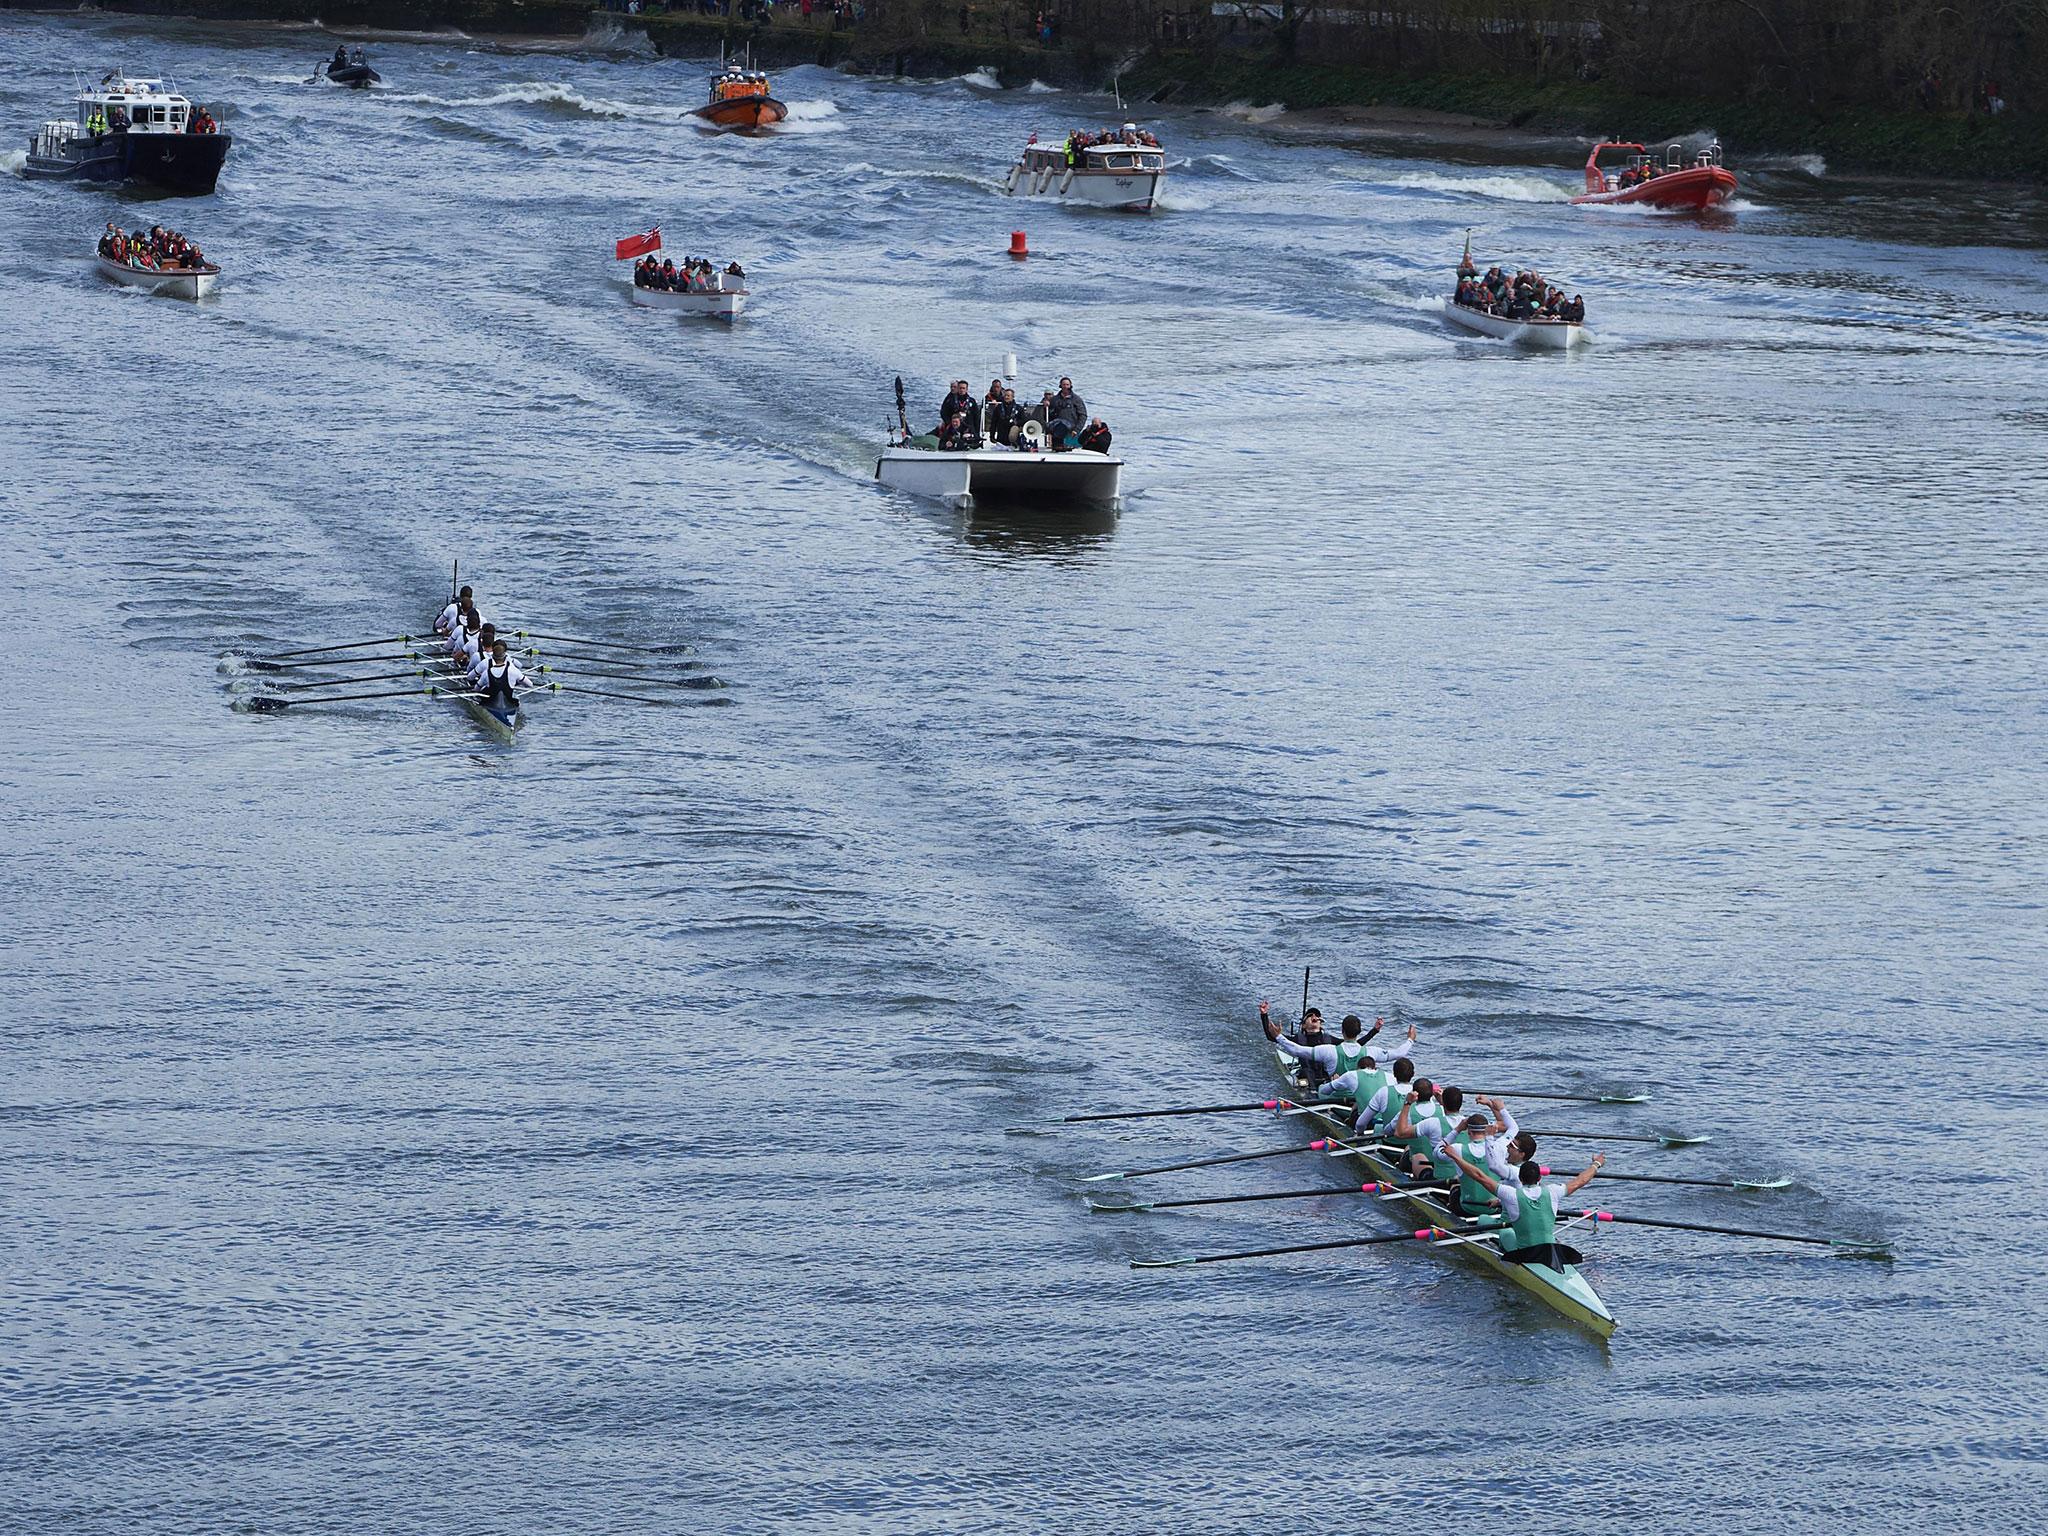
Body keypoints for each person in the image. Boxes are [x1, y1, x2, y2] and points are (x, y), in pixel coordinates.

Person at [1439, 1140, 1605, 1270]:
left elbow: (1479, 1176)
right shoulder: (1553, 1191)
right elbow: (1581, 1180)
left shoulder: (1511, 1195)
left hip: (1526, 1254)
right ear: (1539, 1179)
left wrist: (1455, 1156)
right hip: (1550, 1251)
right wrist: (1596, 1164)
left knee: (1502, 1230)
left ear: (1520, 1179)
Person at [1046, 376, 1085, 446]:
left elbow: (1083, 415)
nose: (1065, 387)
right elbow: (1047, 412)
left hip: (1070, 424)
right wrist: (1045, 404)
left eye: (1067, 385)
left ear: (1070, 386)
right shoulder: (1055, 399)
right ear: (1060, 385)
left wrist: (1077, 430)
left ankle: (1060, 445)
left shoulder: (1076, 399)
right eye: (1063, 384)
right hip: (1056, 423)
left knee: (1061, 427)